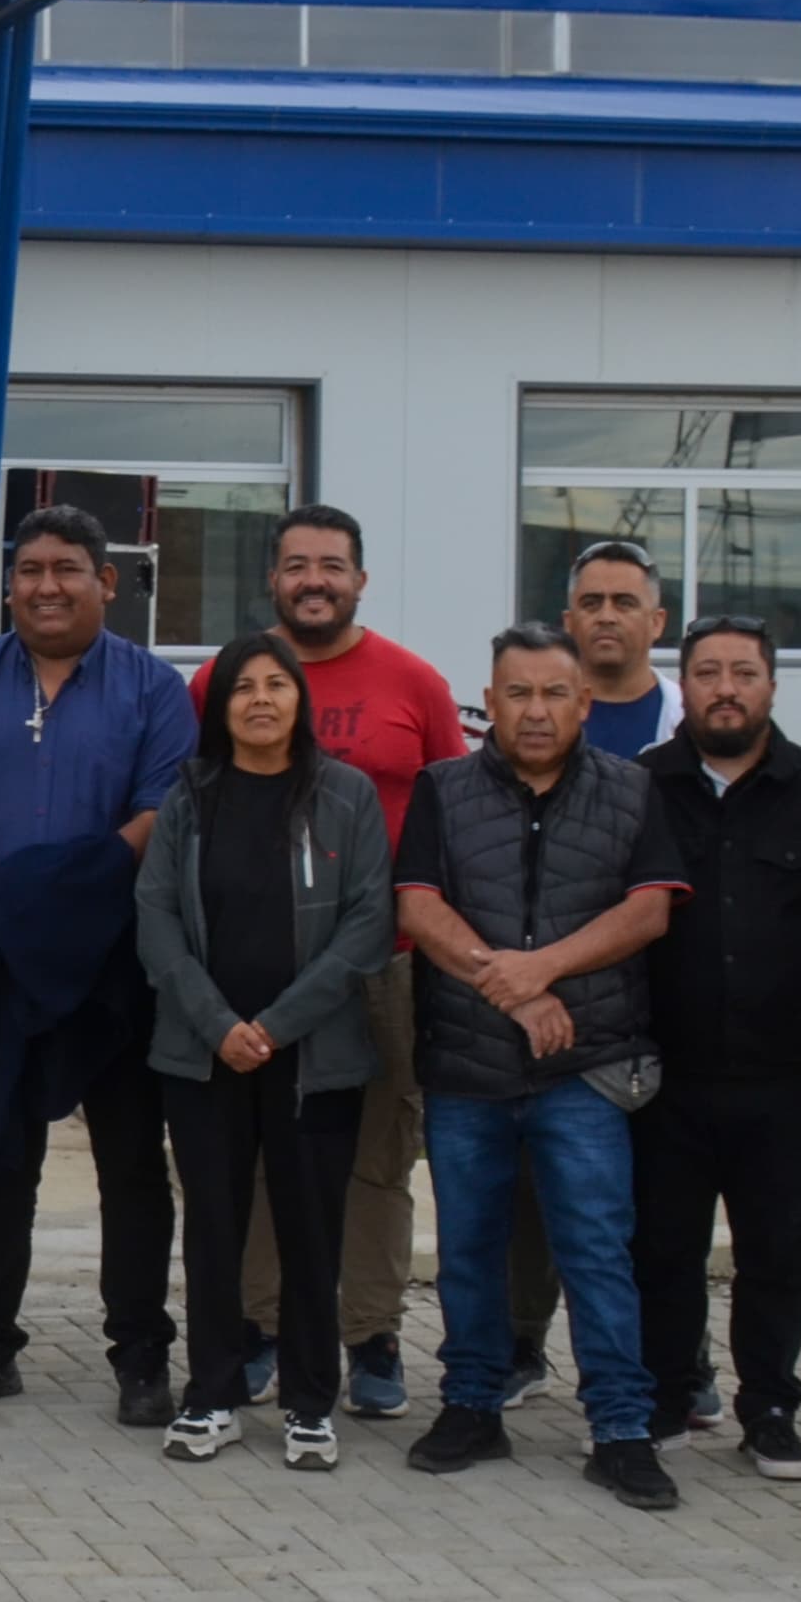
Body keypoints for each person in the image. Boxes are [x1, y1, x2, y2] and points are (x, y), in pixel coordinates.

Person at [0, 504, 194, 1417]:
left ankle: (142, 1356)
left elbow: (162, 813)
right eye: (28, 570)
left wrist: (61, 906)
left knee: (132, 1167)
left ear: (105, 581)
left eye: (67, 568)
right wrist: (6, 900)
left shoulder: (153, 689)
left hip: (118, 966)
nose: (46, 586)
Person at [391, 622, 689, 1509]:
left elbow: (649, 913)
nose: (535, 710)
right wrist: (514, 992)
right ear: (490, 703)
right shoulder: (443, 789)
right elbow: (418, 904)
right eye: (516, 693)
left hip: (586, 1068)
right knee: (470, 1251)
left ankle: (622, 1428)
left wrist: (542, 970)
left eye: (554, 693)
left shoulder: (633, 792)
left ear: (584, 704)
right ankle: (473, 1405)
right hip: (469, 1066)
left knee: (596, 1248)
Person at [210, 504, 464, 1419]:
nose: (313, 580)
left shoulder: (416, 684)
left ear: (360, 579)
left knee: (377, 1154)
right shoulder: (223, 678)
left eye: (331, 565)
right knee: (262, 1156)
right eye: (295, 565)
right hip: (253, 967)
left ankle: (370, 1333)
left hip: (382, 967)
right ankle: (263, 1325)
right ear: (271, 580)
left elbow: (452, 820)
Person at [134, 630, 390, 1470]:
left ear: (299, 700)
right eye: (243, 686)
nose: (261, 700)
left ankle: (311, 1404)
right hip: (205, 1055)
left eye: (278, 685)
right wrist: (221, 1025)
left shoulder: (345, 794)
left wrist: (278, 1024)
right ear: (222, 705)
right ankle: (211, 1397)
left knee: (313, 1231)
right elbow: (158, 918)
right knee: (213, 1228)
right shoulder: (189, 794)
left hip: (313, 1058)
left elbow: (366, 924)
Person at [634, 616, 801, 1480]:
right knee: (660, 1247)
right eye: (708, 672)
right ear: (681, 687)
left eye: (744, 673)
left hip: (782, 1073)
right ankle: (664, 1393)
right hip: (663, 1072)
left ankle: (769, 1406)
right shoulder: (637, 787)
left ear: (771, 686)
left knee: (782, 1247)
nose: (726, 688)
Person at [564, 539, 685, 759]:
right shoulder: (540, 717)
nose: (606, 617)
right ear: (568, 622)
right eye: (591, 603)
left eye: (625, 603)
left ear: (657, 623)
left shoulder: (689, 717)